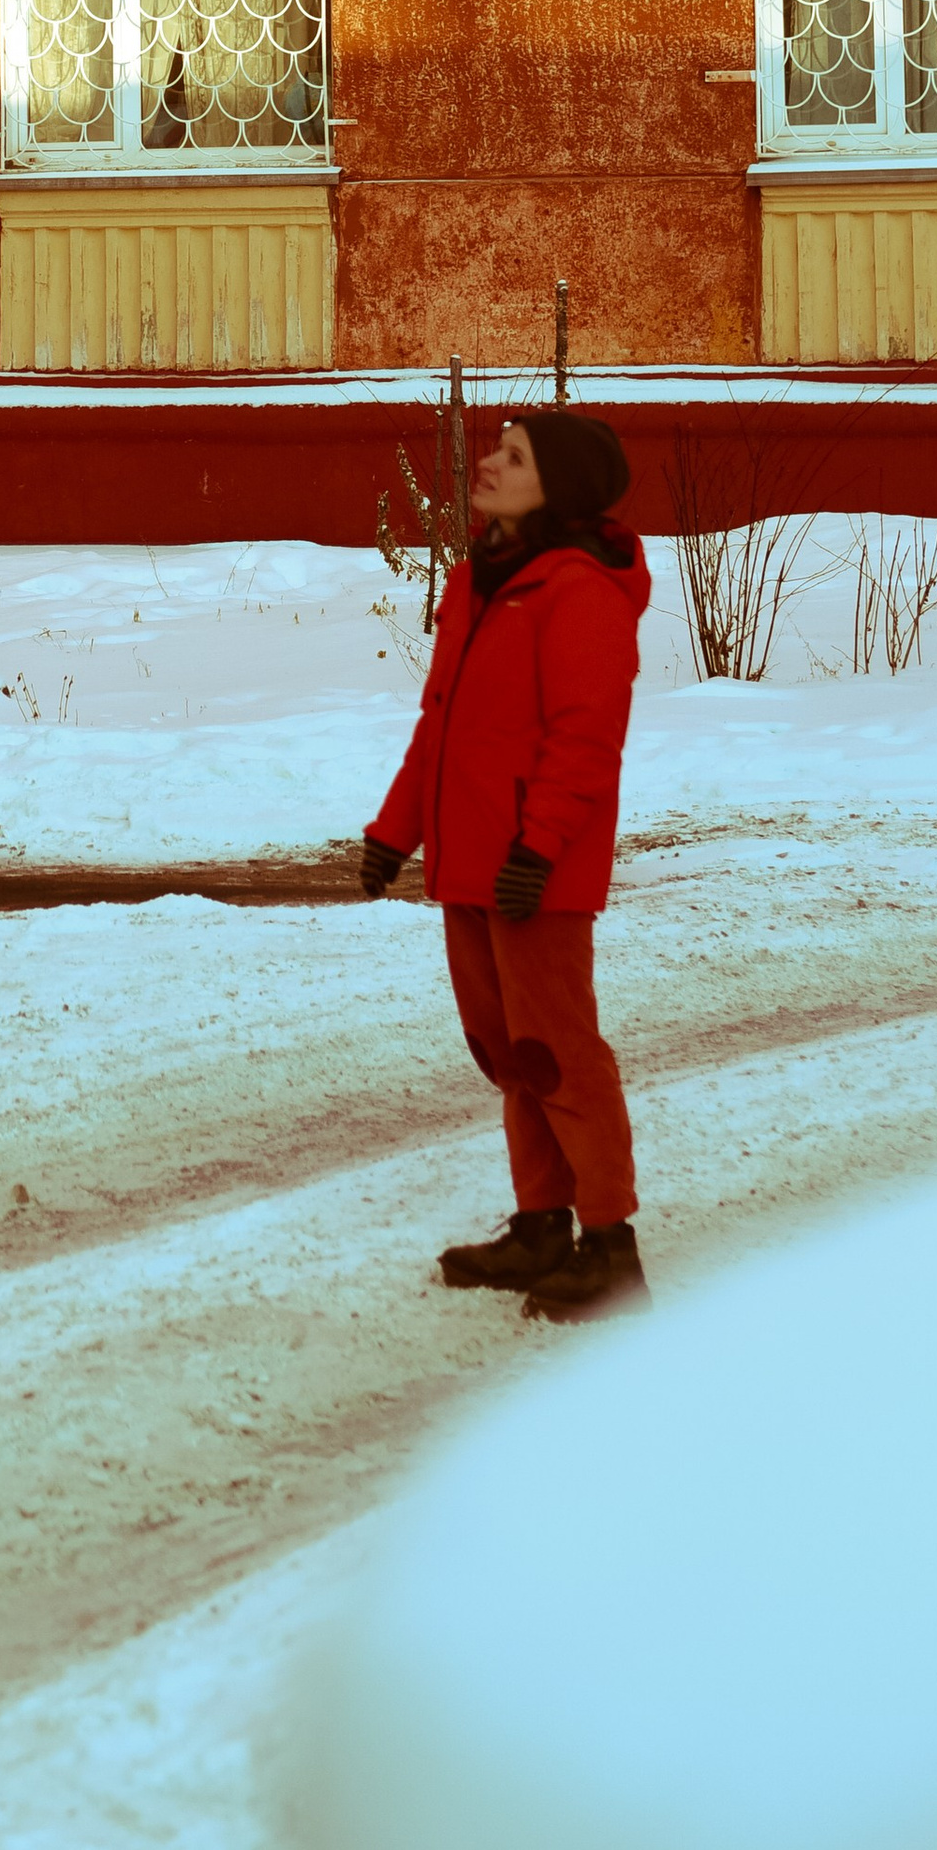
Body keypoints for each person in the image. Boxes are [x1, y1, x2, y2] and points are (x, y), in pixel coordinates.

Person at [358, 407, 651, 1322]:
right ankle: (542, 1223)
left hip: (535, 871)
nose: (489, 462)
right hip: (469, 865)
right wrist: (394, 831)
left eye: (514, 456)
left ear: (556, 486)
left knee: (558, 1053)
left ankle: (610, 1243)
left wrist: (538, 848)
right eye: (497, 447)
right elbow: (439, 725)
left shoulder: (579, 590)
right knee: (509, 1054)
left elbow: (587, 738)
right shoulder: (482, 579)